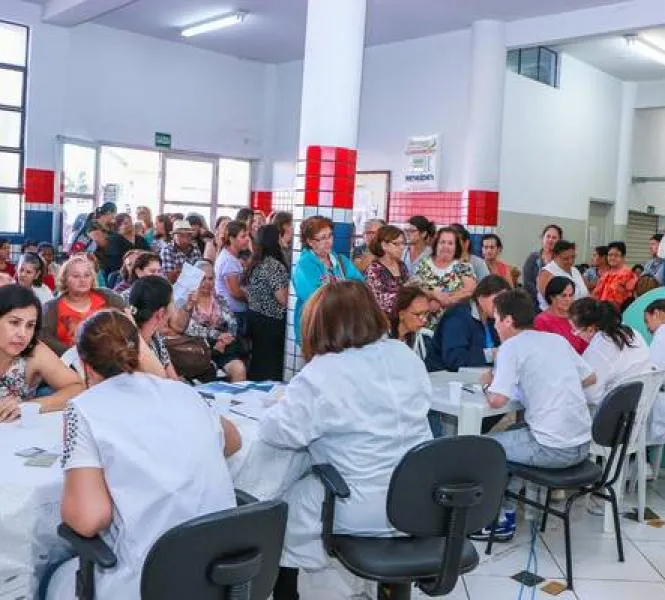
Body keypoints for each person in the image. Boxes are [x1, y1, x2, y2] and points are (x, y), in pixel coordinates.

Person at [44, 309, 240, 600]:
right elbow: (233, 441)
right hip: (220, 569)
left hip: (151, 577)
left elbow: (88, 519)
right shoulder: (183, 393)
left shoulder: (84, 409)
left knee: (54, 578)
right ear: (137, 352)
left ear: (84, 365)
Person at [261, 281, 432, 599]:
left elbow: (277, 431)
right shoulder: (404, 356)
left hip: (360, 504)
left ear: (320, 324)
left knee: (275, 512)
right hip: (417, 502)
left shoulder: (324, 371)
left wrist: (281, 403)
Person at [473, 289, 595, 541]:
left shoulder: (511, 347)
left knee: (483, 448)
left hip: (553, 449)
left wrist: (488, 382)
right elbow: (590, 377)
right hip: (583, 444)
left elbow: (497, 400)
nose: (495, 325)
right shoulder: (555, 340)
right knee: (513, 433)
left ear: (508, 320)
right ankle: (507, 510)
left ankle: (497, 520)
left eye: (496, 319)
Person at [0, 285, 83, 421]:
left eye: (30, 325)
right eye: (14, 322)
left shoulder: (34, 351)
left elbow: (77, 388)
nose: (23, 334)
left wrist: (28, 406)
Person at [171, 260, 246, 382]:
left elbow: (232, 323)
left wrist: (226, 339)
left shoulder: (219, 299)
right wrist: (218, 336)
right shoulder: (185, 301)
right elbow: (189, 328)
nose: (207, 283)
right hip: (196, 349)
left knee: (239, 369)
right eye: (202, 279)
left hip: (223, 347)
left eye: (210, 278)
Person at [292, 216, 364, 344]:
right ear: (310, 241)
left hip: (341, 328)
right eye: (322, 238)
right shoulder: (304, 265)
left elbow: (360, 286)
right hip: (316, 328)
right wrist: (345, 292)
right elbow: (316, 297)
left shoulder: (341, 261)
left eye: (330, 236)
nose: (328, 241)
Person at [570, 297, 651, 408]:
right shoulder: (631, 332)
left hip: (623, 412)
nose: (575, 334)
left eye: (575, 330)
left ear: (590, 330)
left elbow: (591, 396)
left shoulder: (598, 349)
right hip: (647, 401)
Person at [40, 255, 125, 356]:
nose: (82, 280)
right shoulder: (51, 308)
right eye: (76, 276)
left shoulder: (109, 298)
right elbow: (45, 339)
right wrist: (75, 354)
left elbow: (125, 328)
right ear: (65, 279)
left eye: (87, 275)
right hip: (67, 363)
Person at [428, 275, 509, 372]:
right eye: (497, 300)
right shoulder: (457, 317)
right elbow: (455, 359)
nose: (501, 305)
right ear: (481, 296)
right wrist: (491, 354)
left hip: (479, 375)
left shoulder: (492, 319)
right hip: (446, 376)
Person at [245, 225, 290, 381]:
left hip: (254, 318)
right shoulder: (274, 265)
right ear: (276, 239)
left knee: (258, 361)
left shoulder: (256, 260)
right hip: (271, 322)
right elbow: (283, 298)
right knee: (269, 366)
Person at [414, 226, 476, 330]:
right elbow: (415, 289)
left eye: (450, 243)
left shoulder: (464, 266)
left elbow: (469, 291)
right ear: (436, 244)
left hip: (456, 325)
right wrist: (432, 295)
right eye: (442, 242)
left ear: (456, 247)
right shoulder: (423, 264)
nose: (446, 246)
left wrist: (444, 301)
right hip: (424, 326)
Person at [128, 276, 179, 380]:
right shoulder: (130, 349)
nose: (174, 307)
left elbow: (173, 380)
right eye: (172, 302)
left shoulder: (155, 337)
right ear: (160, 313)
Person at [535, 276, 588, 354]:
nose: (568, 299)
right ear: (552, 297)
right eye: (563, 295)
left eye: (571, 295)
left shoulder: (578, 316)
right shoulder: (542, 321)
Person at [215, 220, 251, 334]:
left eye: (247, 236)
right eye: (243, 236)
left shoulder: (232, 258)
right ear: (231, 238)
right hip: (233, 313)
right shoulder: (229, 260)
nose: (247, 239)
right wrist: (252, 299)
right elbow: (235, 291)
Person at [365, 225, 409, 315]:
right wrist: (406, 290)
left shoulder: (402, 266)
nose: (402, 247)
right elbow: (380, 302)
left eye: (403, 243)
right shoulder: (375, 269)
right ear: (384, 245)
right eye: (396, 244)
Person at [536, 240, 588, 311]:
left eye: (573, 257)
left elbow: (586, 292)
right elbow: (551, 302)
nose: (570, 261)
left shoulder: (575, 270)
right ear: (555, 256)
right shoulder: (547, 273)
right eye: (566, 259)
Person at [522, 224, 562, 309]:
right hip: (534, 304)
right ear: (543, 238)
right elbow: (527, 282)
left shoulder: (561, 260)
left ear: (559, 241)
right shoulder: (533, 257)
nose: (550, 240)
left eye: (554, 238)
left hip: (556, 304)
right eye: (548, 236)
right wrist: (543, 297)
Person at [593, 241, 638, 310]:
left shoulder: (629, 274)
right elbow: (596, 294)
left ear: (623, 257)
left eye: (616, 255)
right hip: (601, 313)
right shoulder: (606, 274)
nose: (612, 258)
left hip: (619, 315)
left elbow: (632, 299)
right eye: (610, 255)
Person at [103, 213, 150, 277]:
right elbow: (115, 262)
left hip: (141, 271)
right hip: (121, 273)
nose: (131, 225)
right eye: (126, 223)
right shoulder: (114, 240)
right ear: (119, 226)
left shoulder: (140, 239)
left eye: (131, 222)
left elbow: (149, 254)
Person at [644, 299, 665, 442]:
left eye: (647, 320)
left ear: (656, 314)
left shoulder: (661, 334)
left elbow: (653, 370)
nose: (647, 327)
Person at [389, 285, 430, 353]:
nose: (424, 320)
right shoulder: (380, 341)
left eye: (426, 313)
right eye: (417, 314)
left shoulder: (427, 338)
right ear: (401, 314)